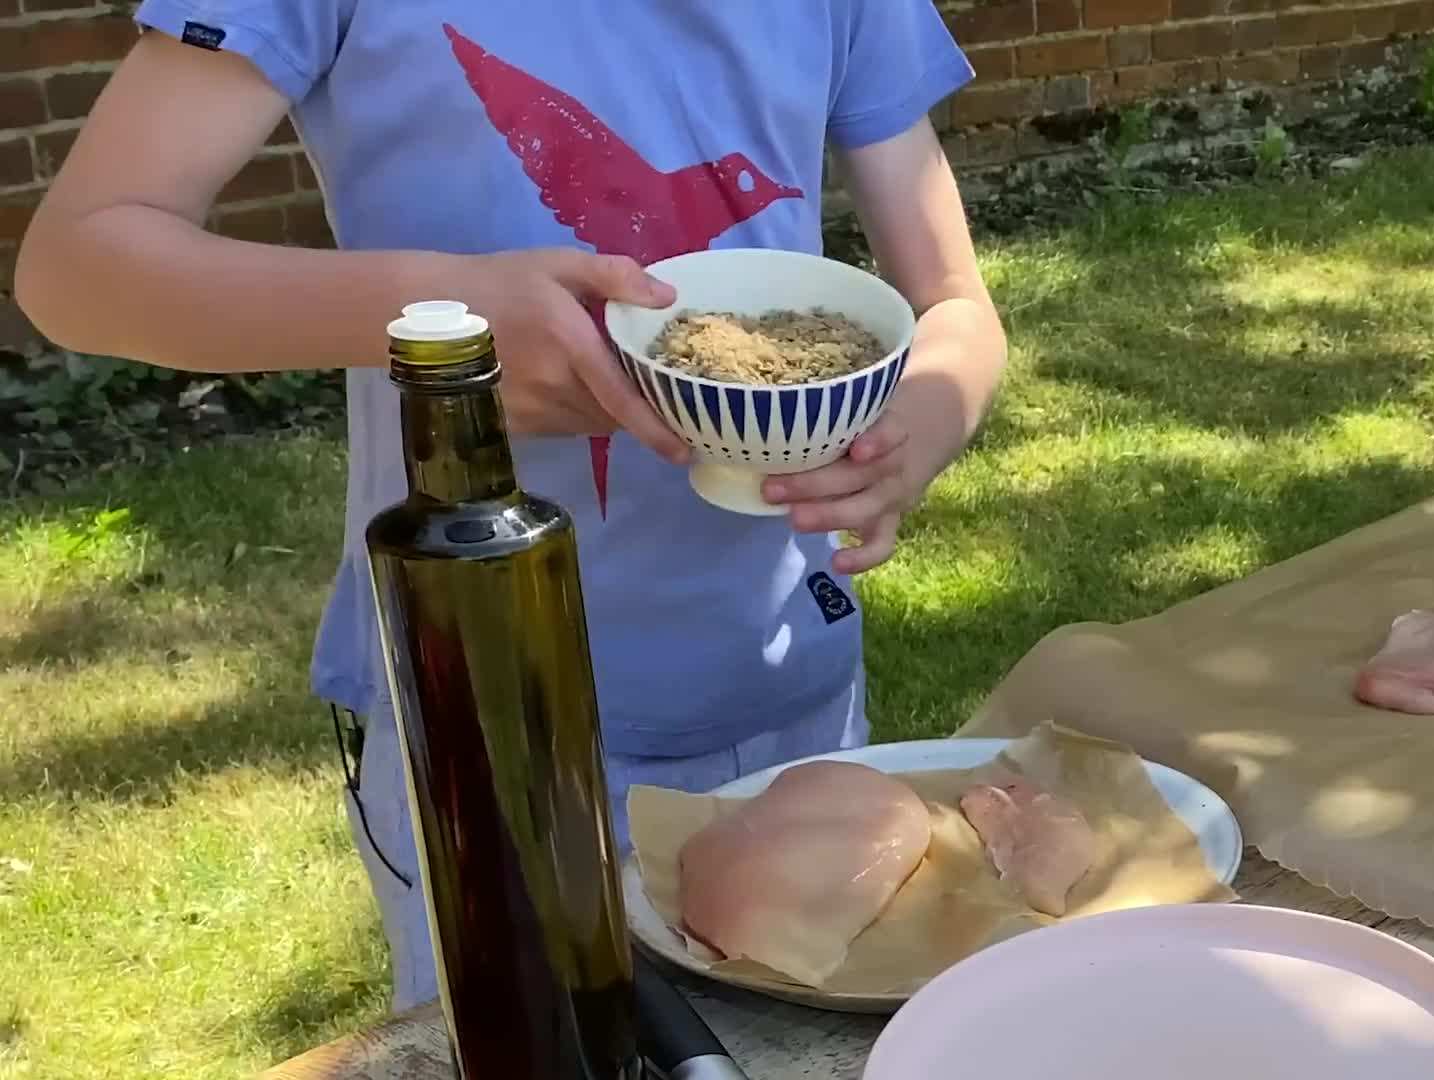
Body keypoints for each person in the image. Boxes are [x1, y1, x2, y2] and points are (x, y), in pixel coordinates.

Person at [16, 2, 1006, 1010]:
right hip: (481, 723)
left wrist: (920, 421)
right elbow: (78, 265)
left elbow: (952, 302)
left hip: (799, 701)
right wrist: (438, 330)